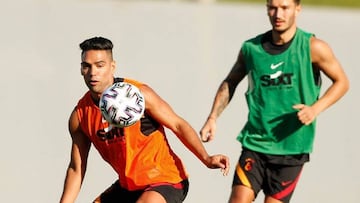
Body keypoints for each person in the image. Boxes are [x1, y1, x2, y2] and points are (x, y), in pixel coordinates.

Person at [200, 0, 349, 203]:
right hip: (256, 142)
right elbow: (230, 82)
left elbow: (342, 82)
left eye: (285, 7)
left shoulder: (313, 47)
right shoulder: (251, 49)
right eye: (273, 7)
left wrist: (315, 109)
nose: (278, 14)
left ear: (298, 8)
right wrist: (213, 117)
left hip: (292, 148)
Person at [59, 36, 230, 203]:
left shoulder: (138, 95)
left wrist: (206, 159)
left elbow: (177, 125)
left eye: (100, 65)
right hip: (128, 187)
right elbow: (76, 168)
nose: (92, 72)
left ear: (112, 67)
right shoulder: (80, 116)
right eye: (86, 66)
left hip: (166, 180)